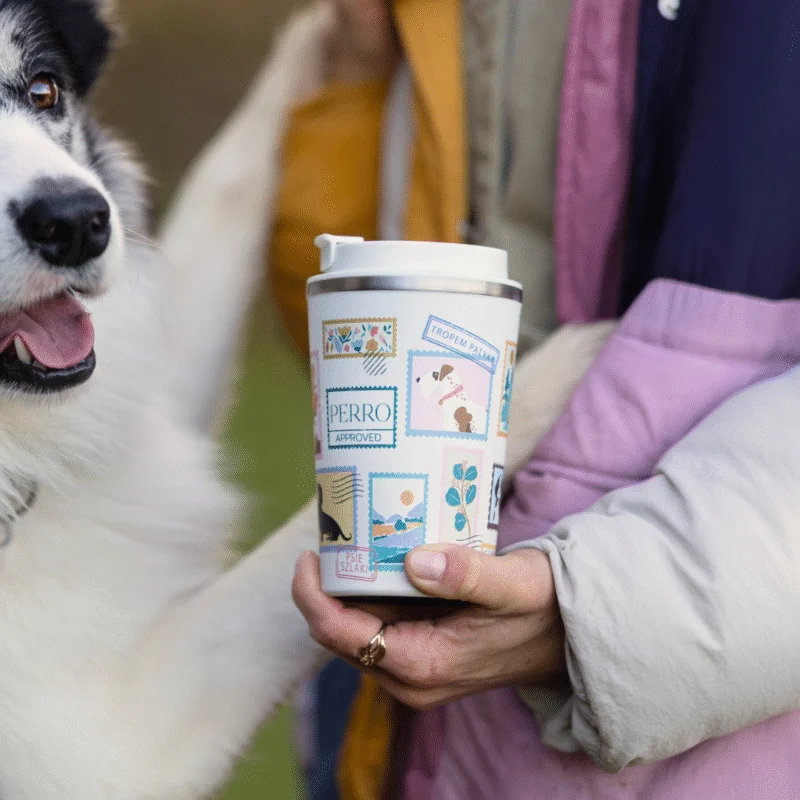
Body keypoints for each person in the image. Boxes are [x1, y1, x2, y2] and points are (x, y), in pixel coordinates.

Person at [162, 0, 800, 797]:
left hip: (705, 744)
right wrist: (354, 93)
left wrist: (592, 610)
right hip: (395, 734)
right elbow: (371, 346)